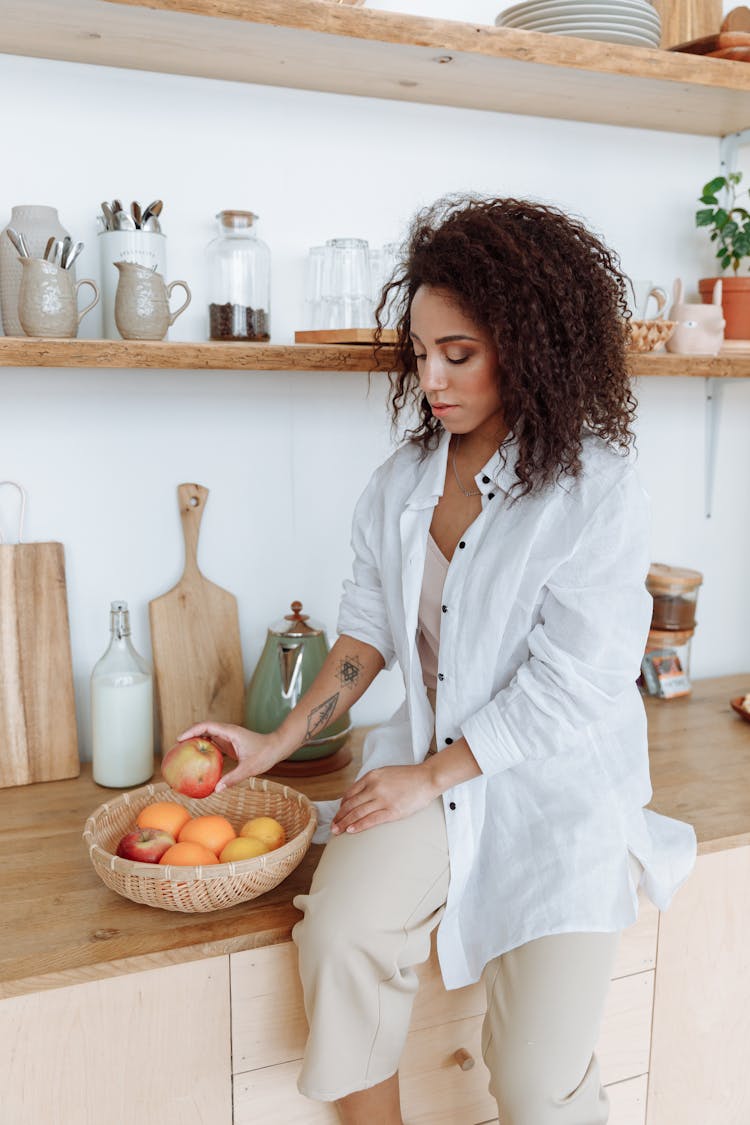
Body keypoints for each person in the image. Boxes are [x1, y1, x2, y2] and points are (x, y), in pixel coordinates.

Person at [180, 196, 697, 1125]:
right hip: (425, 774)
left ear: (532, 342)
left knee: (539, 1085)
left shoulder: (597, 491)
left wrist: (433, 775)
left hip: (556, 794)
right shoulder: (400, 486)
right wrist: (272, 741)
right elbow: (366, 636)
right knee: (340, 935)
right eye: (419, 355)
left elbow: (574, 679)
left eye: (457, 353)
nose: (432, 379)